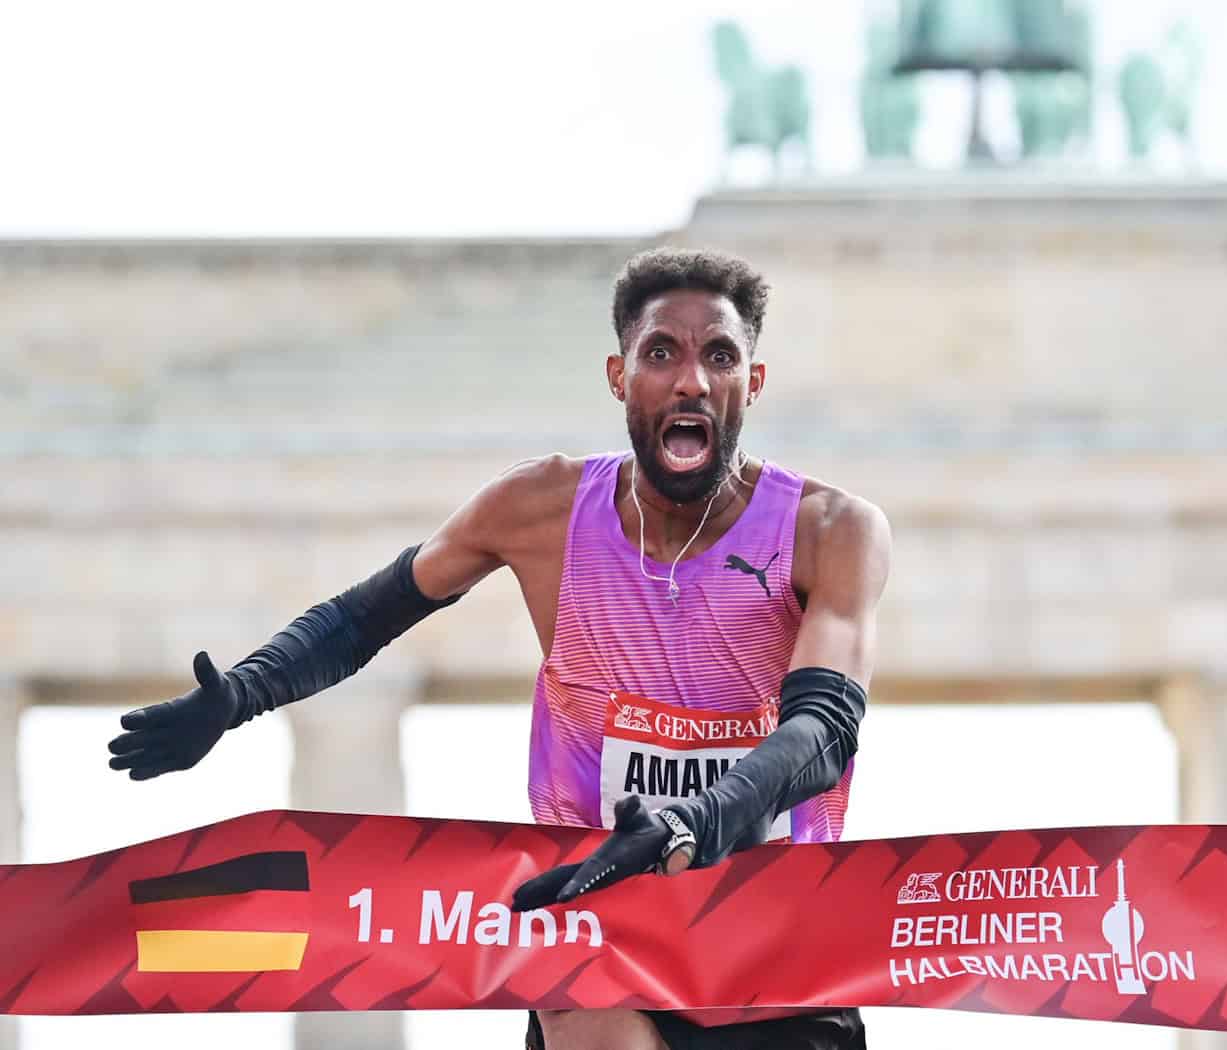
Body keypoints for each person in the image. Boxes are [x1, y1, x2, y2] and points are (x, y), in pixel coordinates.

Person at [107, 248, 892, 1050]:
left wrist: (694, 822)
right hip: (602, 932)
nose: (691, 380)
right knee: (577, 1003)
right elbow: (362, 617)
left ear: (750, 384)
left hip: (777, 957)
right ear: (620, 377)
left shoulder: (830, 531)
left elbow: (824, 731)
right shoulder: (540, 509)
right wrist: (243, 693)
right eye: (663, 353)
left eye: (719, 355)